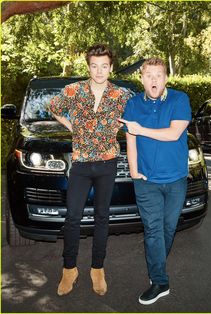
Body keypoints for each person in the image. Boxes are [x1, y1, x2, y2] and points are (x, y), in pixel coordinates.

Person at [49, 44, 130, 296]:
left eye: (104, 66)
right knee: (72, 217)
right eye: (94, 66)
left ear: (111, 67)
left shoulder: (122, 95)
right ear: (88, 66)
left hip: (107, 163)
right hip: (81, 164)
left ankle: (97, 268)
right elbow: (52, 106)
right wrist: (71, 125)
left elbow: (139, 116)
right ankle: (69, 269)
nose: (99, 71)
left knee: (102, 217)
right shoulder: (73, 91)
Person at [119, 57, 191, 305]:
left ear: (166, 78)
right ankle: (160, 280)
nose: (153, 80)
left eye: (158, 75)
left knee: (167, 229)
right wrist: (134, 171)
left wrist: (140, 129)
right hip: (146, 180)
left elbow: (174, 134)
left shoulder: (180, 99)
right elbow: (130, 141)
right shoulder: (133, 105)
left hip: (176, 179)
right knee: (152, 229)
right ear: (142, 79)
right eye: (148, 75)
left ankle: (157, 261)